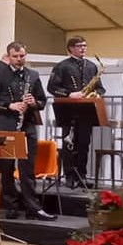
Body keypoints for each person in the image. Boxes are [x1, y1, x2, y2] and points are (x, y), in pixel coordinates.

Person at [0, 42, 55, 221]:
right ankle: (11, 205)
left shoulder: (33, 75)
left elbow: (42, 101)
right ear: (8, 56)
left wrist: (34, 103)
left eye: (22, 56)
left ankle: (33, 207)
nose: (19, 59)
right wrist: (10, 105)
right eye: (15, 56)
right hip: (5, 125)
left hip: (27, 126)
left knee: (28, 169)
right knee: (6, 169)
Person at [47, 36, 105, 188]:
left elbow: (100, 87)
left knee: (84, 144)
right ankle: (69, 176)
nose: (83, 48)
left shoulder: (92, 66)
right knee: (69, 145)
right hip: (69, 111)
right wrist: (69, 94)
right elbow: (52, 87)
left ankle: (82, 176)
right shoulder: (62, 66)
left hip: (87, 111)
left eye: (85, 45)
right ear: (71, 48)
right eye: (79, 46)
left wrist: (97, 94)